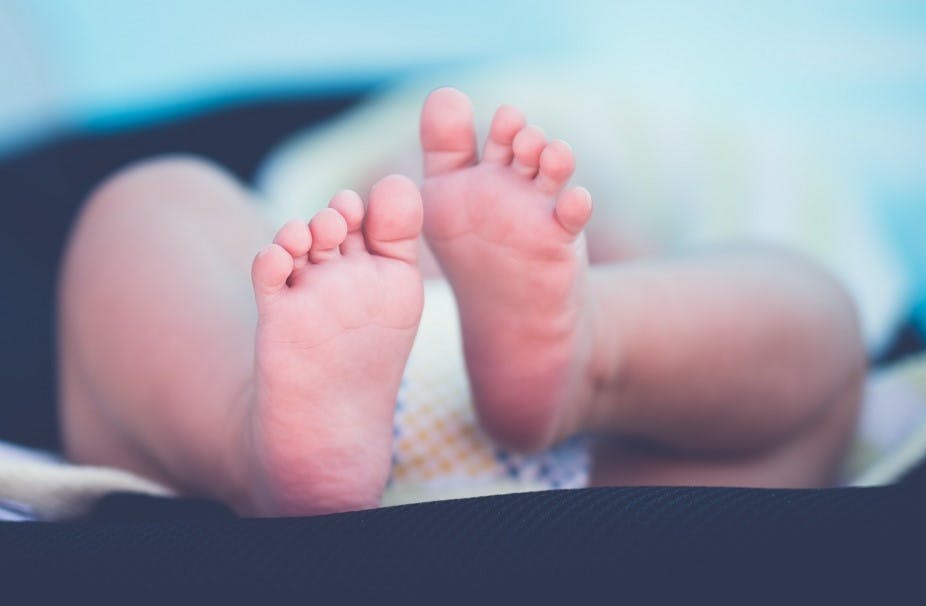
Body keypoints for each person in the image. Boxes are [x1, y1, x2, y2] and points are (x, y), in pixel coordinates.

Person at [57, 87, 865, 516]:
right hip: (284, 376)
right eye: (413, 181)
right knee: (157, 214)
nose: (455, 190)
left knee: (817, 325)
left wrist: (597, 271)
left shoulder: (665, 246)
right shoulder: (280, 253)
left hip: (610, 456)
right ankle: (253, 436)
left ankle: (590, 351)